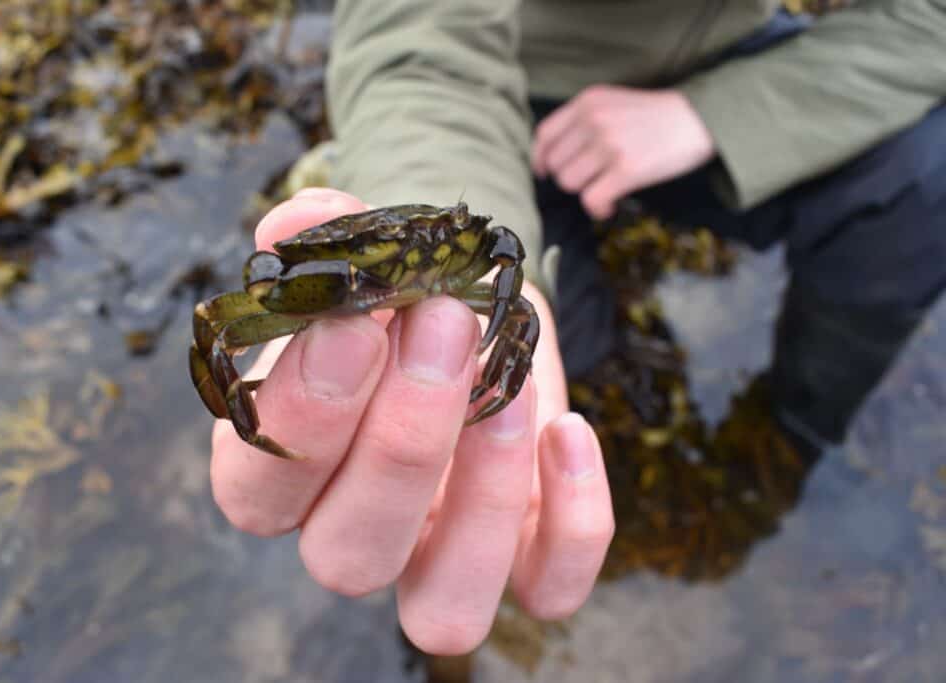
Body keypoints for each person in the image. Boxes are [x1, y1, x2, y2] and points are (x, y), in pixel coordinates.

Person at [209, 0, 946, 656]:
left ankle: (793, 440)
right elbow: (418, 39)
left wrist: (718, 114)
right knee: (566, 372)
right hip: (485, 104)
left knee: (927, 170)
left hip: (716, 71)